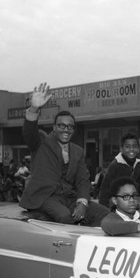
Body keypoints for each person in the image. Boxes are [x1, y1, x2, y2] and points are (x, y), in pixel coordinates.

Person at [19, 82, 109, 226]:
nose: (66, 129)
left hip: (69, 198)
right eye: (61, 125)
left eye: (70, 127)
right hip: (44, 197)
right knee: (66, 217)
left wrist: (82, 202)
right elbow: (28, 132)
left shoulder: (77, 151)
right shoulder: (41, 141)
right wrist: (34, 108)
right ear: (54, 127)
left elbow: (82, 181)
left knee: (104, 214)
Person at [98, 133, 140, 208]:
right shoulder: (115, 166)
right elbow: (104, 190)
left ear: (138, 149)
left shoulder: (138, 165)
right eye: (127, 147)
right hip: (117, 202)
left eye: (134, 146)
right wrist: (104, 211)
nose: (131, 149)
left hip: (133, 199)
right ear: (121, 149)